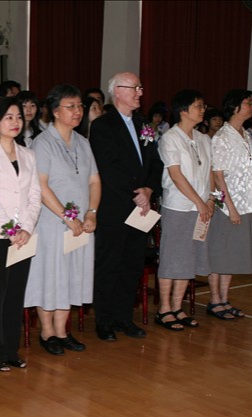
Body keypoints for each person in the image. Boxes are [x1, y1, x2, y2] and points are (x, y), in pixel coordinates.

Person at [24, 84, 100, 355]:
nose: (78, 111)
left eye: (80, 106)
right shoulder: (43, 143)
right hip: (52, 223)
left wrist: (91, 212)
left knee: (71, 275)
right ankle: (47, 332)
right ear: (55, 112)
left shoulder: (83, 142)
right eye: (71, 107)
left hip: (80, 224)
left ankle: (62, 331)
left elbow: (94, 181)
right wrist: (69, 217)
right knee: (50, 275)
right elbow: (41, 186)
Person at [89, 72, 163, 341]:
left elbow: (155, 162)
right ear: (117, 91)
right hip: (115, 206)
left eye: (140, 88)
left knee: (132, 264)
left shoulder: (144, 125)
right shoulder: (102, 125)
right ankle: (104, 320)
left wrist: (149, 189)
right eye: (135, 88)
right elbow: (108, 167)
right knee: (109, 264)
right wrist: (136, 193)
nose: (140, 92)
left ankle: (124, 317)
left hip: (140, 207)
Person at [0, 97, 41, 371]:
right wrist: (11, 229)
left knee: (15, 294)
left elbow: (34, 195)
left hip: (24, 236)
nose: (15, 122)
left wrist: (26, 228)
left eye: (18, 117)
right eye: (8, 117)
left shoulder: (28, 154)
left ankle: (11, 349)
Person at [206, 89, 252, 320]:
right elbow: (218, 176)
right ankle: (214, 300)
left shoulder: (246, 136)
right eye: (248, 103)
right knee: (219, 254)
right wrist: (230, 207)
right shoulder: (222, 137)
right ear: (235, 108)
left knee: (232, 255)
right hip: (225, 206)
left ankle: (224, 299)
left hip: (245, 204)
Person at [155, 89, 213, 330]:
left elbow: (209, 173)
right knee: (172, 257)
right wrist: (199, 201)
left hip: (201, 208)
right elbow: (176, 175)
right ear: (183, 110)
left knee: (188, 258)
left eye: (203, 106)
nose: (202, 110)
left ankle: (178, 307)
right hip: (178, 207)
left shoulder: (203, 139)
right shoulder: (170, 138)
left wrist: (210, 199)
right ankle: (164, 309)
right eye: (198, 106)